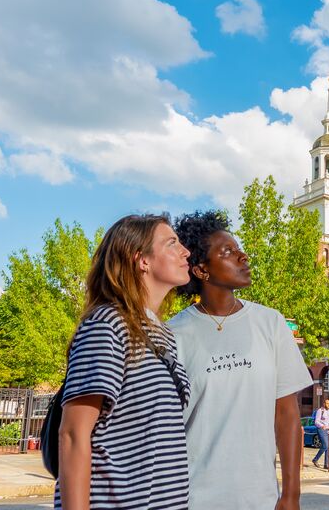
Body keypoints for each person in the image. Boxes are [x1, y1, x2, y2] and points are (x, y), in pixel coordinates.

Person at [169, 211, 313, 510]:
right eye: (228, 252)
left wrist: (291, 494)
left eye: (239, 248)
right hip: (190, 499)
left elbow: (287, 415)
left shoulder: (270, 323)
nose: (243, 256)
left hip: (260, 498)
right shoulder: (173, 334)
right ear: (201, 271)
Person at [56, 214, 192, 509]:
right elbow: (72, 434)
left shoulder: (162, 333)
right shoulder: (107, 323)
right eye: (172, 243)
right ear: (142, 260)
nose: (186, 251)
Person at [312, 399, 329, 468]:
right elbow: (316, 422)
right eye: (327, 403)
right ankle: (315, 459)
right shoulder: (320, 411)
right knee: (325, 445)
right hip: (321, 430)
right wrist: (322, 426)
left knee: (328, 447)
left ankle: (326, 464)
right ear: (324, 404)